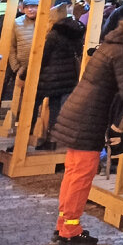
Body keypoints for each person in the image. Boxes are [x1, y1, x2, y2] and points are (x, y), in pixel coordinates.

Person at [50, 16, 123, 245]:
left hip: (77, 112)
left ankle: (63, 225)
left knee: (73, 172)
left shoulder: (108, 46)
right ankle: (70, 232)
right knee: (82, 175)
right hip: (89, 118)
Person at [26, 12, 85, 147]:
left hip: (48, 78)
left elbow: (42, 58)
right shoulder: (74, 35)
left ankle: (24, 138)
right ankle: (52, 141)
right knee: (56, 110)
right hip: (67, 80)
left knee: (31, 106)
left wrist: (25, 75)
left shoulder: (53, 36)